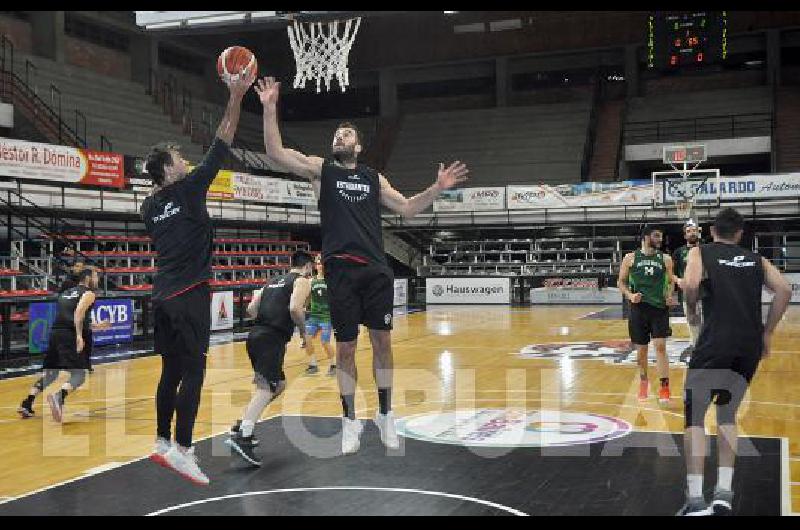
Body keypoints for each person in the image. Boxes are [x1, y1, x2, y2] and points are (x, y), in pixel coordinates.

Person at [254, 76, 469, 454]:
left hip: (375, 270)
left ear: (359, 145)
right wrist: (271, 107)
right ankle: (350, 420)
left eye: (348, 134)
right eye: (338, 134)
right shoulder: (322, 170)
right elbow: (275, 153)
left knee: (383, 343)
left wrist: (436, 189)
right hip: (340, 272)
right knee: (347, 351)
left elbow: (405, 208)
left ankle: (385, 415)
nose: (341, 137)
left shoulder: (373, 178)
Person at [142, 70, 254, 485]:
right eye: (177, 157)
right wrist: (236, 95)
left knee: (170, 372)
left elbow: (161, 200)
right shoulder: (187, 189)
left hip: (162, 297)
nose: (184, 159)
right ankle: (184, 450)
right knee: (194, 372)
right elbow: (223, 137)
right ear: (170, 171)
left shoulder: (149, 207)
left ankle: (160, 442)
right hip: (189, 294)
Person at [676, 208, 791, 516]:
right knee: (727, 415)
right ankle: (724, 494)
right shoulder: (757, 260)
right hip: (747, 347)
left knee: (695, 417)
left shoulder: (701, 252)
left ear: (712, 231)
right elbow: (784, 289)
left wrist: (691, 312)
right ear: (739, 234)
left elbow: (689, 285)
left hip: (714, 343)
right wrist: (767, 333)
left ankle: (697, 500)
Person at [226, 251, 314, 466]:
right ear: (308, 266)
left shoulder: (272, 281)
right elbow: (294, 307)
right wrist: (303, 332)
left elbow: (251, 309)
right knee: (267, 388)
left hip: (255, 336)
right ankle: (243, 436)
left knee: (279, 384)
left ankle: (244, 422)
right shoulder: (302, 280)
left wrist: (270, 318)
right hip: (271, 339)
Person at [17, 267, 108, 421]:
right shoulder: (89, 294)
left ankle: (27, 403)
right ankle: (59, 397)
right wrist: (79, 336)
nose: (97, 280)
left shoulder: (65, 293)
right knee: (79, 375)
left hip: (56, 333)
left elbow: (72, 317)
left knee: (51, 373)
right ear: (87, 279)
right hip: (69, 335)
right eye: (95, 277)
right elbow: (78, 314)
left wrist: (98, 326)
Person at [617, 226, 677, 405]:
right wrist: (630, 296)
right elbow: (620, 282)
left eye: (661, 236)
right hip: (638, 309)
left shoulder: (665, 259)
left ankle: (664, 387)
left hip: (659, 309)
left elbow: (671, 281)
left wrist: (669, 295)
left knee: (660, 347)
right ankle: (644, 381)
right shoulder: (630, 258)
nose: (660, 239)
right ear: (645, 237)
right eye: (656, 236)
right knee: (641, 350)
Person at [672, 220, 702, 362]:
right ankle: (697, 352)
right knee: (692, 323)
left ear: (698, 232)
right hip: (688, 295)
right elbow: (670, 273)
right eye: (689, 231)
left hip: (706, 293)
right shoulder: (678, 252)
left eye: (694, 230)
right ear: (685, 235)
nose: (692, 233)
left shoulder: (706, 250)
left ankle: (707, 350)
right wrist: (678, 281)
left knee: (708, 323)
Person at [303, 254, 336, 377]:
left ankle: (334, 365)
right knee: (307, 338)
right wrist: (304, 306)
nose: (319, 265)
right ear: (315, 266)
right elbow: (309, 297)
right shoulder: (311, 281)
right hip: (314, 316)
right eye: (317, 263)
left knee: (325, 342)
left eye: (321, 263)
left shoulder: (330, 280)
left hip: (326, 316)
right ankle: (313, 365)